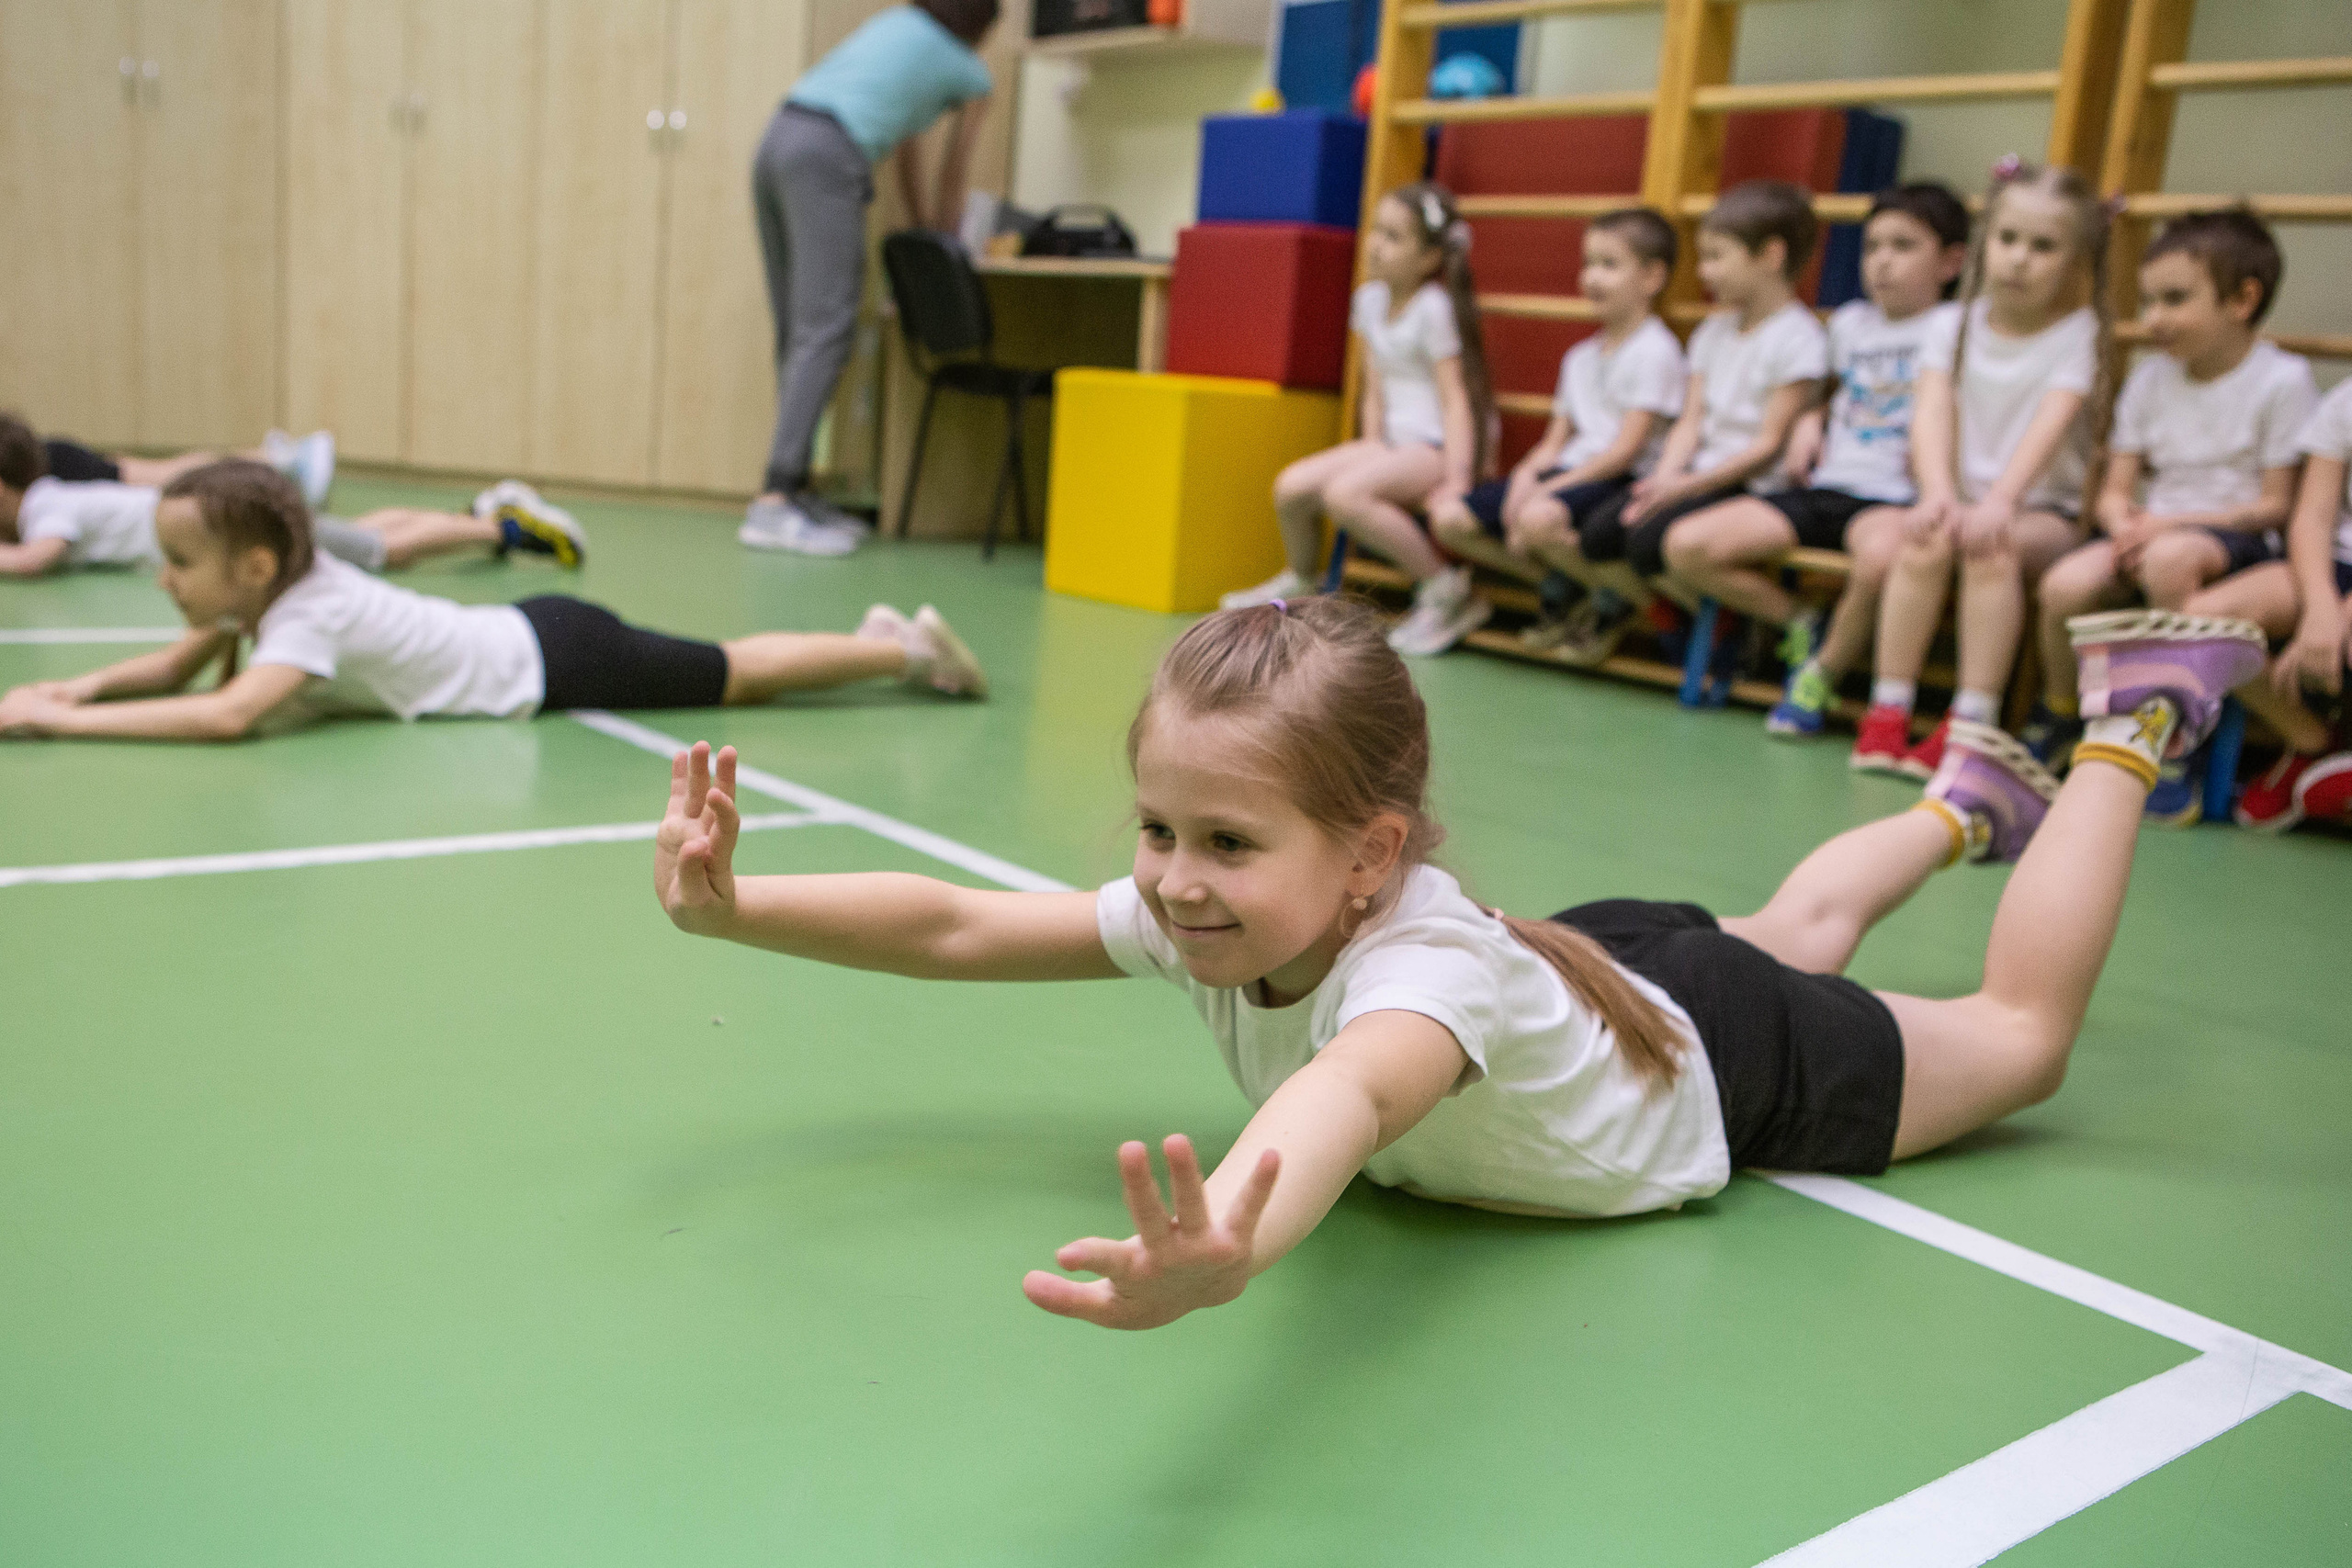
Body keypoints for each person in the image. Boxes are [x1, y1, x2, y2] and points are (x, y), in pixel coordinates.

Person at [649, 593, 2263, 1331]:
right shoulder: (1262, 907)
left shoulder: (1420, 985)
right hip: (1595, 966)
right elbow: (960, 921)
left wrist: (1239, 1246)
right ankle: (1963, 805)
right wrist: (741, 907)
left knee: (2016, 1029)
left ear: (1373, 851)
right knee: (1781, 928)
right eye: (1158, 829)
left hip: (1727, 1065)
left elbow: (1345, 1102)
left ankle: (2133, 719)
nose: (1173, 882)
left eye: (1225, 843)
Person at [0, 463, 986, 741]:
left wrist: (52, 729)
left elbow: (224, 713)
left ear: (254, 569)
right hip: (540, 637)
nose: (162, 579)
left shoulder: (310, 616)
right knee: (733, 667)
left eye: (178, 561)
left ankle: (903, 656)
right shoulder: (273, 597)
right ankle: (880, 643)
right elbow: (173, 667)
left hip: (556, 660)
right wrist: (71, 688)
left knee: (738, 675)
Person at [2026, 209, 2313, 819]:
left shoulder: (2283, 380)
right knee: (2064, 585)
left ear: (2243, 299)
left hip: (2230, 536)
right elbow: (2115, 487)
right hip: (2147, 530)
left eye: (2175, 299)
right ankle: (2058, 714)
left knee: (2170, 559)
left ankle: (2172, 734)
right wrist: (2122, 520)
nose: (2154, 317)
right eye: (2150, 300)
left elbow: (2274, 504)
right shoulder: (2152, 377)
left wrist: (2164, 528)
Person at [1654, 184, 1971, 737]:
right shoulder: (1847, 323)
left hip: (1892, 497)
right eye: (1872, 247)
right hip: (1822, 486)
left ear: (1951, 261)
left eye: (1903, 246)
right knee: (1686, 545)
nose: (1882, 262)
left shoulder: (1958, 329)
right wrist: (1808, 420)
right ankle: (1802, 622)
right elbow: (1826, 393)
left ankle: (1820, 677)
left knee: (1881, 557)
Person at [1853, 159, 2113, 779]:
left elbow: (2050, 428)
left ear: (2074, 259)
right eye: (2008, 239)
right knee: (1923, 541)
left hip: (2042, 513)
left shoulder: (2079, 332)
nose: (2020, 258)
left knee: (1989, 548)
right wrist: (1939, 492)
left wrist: (2000, 501)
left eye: (2043, 246)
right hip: (1961, 501)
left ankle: (1971, 727)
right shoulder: (1952, 324)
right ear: (1984, 245)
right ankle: (1888, 712)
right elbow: (1930, 413)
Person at [741, 0, 1000, 557]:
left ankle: (797, 485)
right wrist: (941, 233)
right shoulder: (971, 73)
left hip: (778, 138)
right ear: (982, 26)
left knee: (799, 329)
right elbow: (952, 166)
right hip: (827, 155)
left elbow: (907, 148)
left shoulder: (898, 26)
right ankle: (776, 500)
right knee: (827, 328)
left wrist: (919, 222)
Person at [1546, 180, 1829, 667]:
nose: (1704, 272)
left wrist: (1686, 486)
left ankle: (1791, 618)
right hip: (1698, 474)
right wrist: (1664, 480)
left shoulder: (1798, 337)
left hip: (1749, 484)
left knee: (1651, 542)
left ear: (1771, 256)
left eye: (1718, 257)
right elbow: (1690, 422)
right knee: (1602, 535)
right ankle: (1717, 621)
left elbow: (1767, 445)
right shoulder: (1711, 332)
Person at [1221, 183, 1498, 659]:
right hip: (1391, 443)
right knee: (1291, 487)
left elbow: (1456, 399)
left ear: (1430, 258)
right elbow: (1374, 384)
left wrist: (1457, 476)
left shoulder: (1433, 309)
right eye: (1376, 231)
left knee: (1345, 495)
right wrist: (1369, 446)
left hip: (1431, 447)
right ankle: (1303, 582)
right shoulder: (1369, 300)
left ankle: (1447, 590)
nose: (1375, 244)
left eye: (1393, 237)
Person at [1423, 207, 1685, 654]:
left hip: (1615, 479)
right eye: (1588, 264)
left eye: (1609, 265)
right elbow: (1555, 441)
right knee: (1449, 517)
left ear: (1652, 277)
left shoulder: (1656, 350)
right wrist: (1526, 476)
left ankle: (1628, 601)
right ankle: (1571, 585)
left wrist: (1549, 490)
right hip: (1573, 471)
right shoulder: (1580, 356)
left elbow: (1623, 453)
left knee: (1539, 518)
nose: (1592, 277)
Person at [0, 417, 586, 578]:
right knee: (363, 533)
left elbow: (35, 559)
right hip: (234, 519)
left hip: (238, 528)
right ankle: (477, 515)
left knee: (382, 551)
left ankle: (501, 528)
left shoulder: (47, 506)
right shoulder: (58, 493)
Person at [2189, 373, 2352, 830]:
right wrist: (2321, 609)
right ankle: (2312, 743)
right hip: (2331, 562)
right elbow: (2312, 518)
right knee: (2201, 623)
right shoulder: (2346, 398)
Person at [34, 422, 335, 506]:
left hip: (50, 461)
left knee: (167, 475)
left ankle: (277, 460)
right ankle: (269, 458)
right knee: (158, 472)